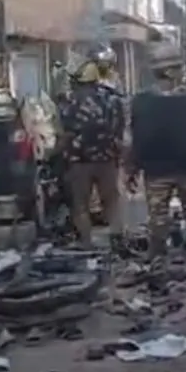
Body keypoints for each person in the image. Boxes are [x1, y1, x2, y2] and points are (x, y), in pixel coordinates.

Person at [127, 43, 186, 278]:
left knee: (158, 221)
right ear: (169, 71)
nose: (180, 71)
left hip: (156, 172)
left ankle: (158, 268)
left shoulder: (140, 101)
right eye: (176, 67)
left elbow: (135, 139)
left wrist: (132, 169)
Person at [58, 59, 126, 248]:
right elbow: (120, 130)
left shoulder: (71, 101)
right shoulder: (113, 99)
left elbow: (66, 132)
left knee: (80, 205)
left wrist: (56, 152)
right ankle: (118, 241)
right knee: (111, 202)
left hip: (80, 161)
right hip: (108, 160)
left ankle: (86, 244)